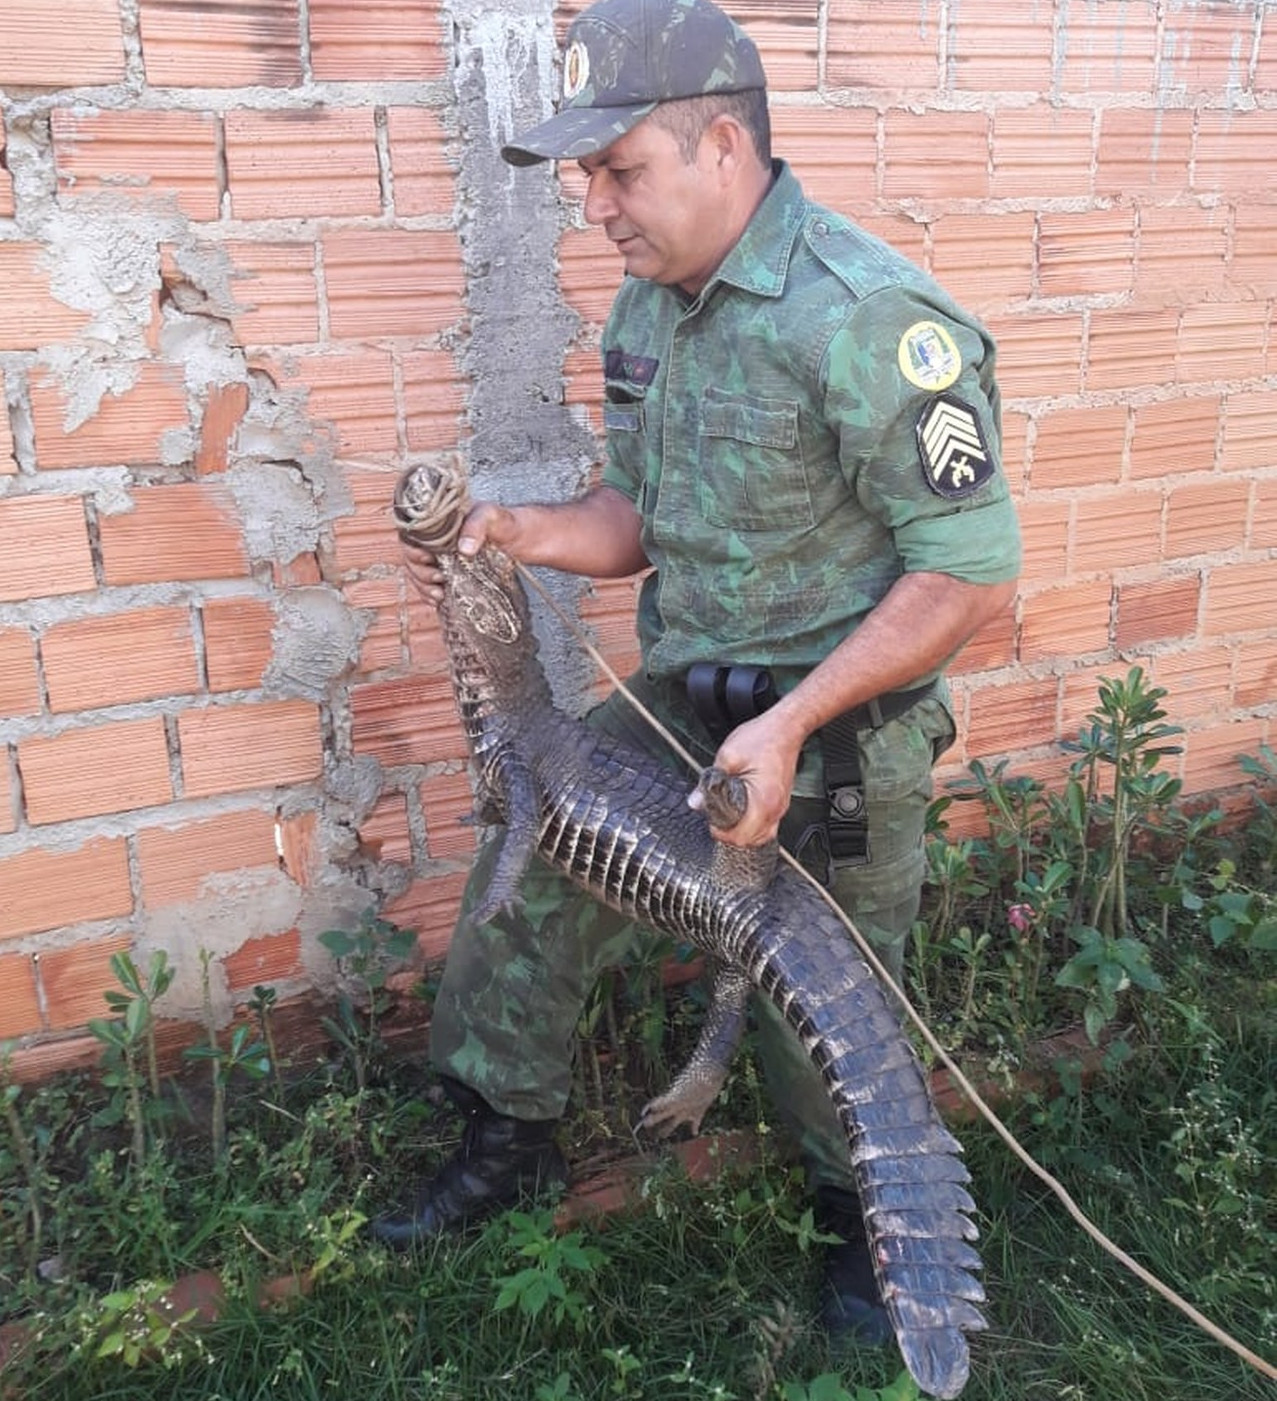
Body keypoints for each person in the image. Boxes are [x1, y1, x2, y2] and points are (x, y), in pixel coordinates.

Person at [377, 0, 1021, 1349]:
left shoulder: (868, 317)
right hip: (684, 706)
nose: (592, 204)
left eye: (616, 171)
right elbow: (634, 518)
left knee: (826, 1004)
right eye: (583, 177)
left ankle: (856, 1222)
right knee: (530, 882)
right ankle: (504, 1142)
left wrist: (792, 723)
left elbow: (962, 573)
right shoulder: (648, 306)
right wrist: (519, 532)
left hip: (836, 731)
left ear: (719, 145)